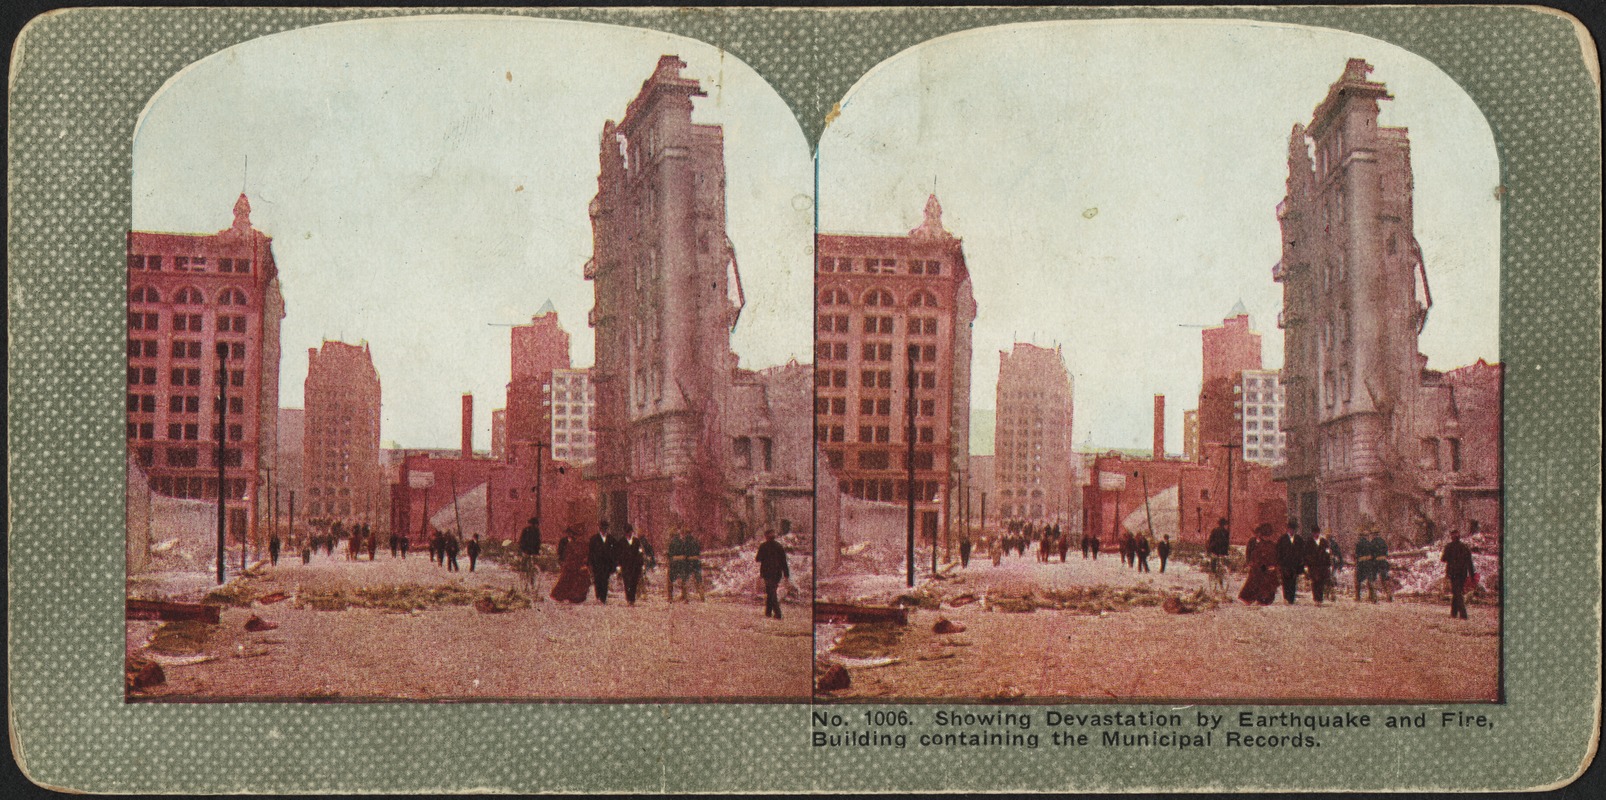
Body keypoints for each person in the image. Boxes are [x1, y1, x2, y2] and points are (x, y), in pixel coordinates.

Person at [1238, 523, 1280, 605]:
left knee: (1268, 584)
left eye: (1268, 536)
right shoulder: (1257, 544)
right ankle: (1251, 599)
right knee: (1255, 583)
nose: (1267, 538)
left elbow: (1276, 556)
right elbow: (1253, 556)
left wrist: (1274, 565)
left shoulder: (1272, 545)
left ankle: (1265, 600)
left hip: (1269, 568)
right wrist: (1253, 563)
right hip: (1258, 568)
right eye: (1265, 536)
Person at [550, 526, 592, 604]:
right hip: (571, 565)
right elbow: (566, 554)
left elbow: (587, 554)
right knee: (567, 580)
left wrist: (585, 562)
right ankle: (565, 596)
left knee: (582, 581)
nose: (578, 537)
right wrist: (565, 562)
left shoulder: (585, 544)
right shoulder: (569, 544)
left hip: (580, 565)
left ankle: (578, 597)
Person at [1441, 530, 1476, 619]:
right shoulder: (1465, 547)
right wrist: (1472, 576)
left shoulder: (1448, 547)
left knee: (1457, 593)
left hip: (1453, 573)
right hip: (1462, 573)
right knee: (1457, 591)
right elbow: (1470, 563)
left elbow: (1443, 559)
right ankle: (1453, 613)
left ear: (1452, 537)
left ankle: (1463, 615)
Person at [756, 529, 791, 619]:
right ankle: (768, 612)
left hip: (767, 572)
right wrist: (786, 574)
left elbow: (758, 559)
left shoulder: (763, 546)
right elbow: (784, 561)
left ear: (766, 536)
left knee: (771, 592)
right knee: (771, 591)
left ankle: (778, 613)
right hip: (777, 573)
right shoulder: (779, 546)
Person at [1275, 520, 1306, 604]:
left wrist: (1301, 562)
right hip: (1285, 564)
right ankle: (1286, 598)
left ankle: (1291, 599)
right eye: (1290, 529)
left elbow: (1302, 552)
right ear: (1287, 529)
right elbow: (1278, 551)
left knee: (1293, 581)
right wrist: (1279, 563)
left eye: (1293, 529)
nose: (1291, 531)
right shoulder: (1282, 539)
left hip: (1295, 564)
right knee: (1285, 581)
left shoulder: (1299, 539)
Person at [589, 522, 617, 603]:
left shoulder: (611, 539)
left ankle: (603, 597)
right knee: (597, 580)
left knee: (605, 580)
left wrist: (613, 564)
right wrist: (591, 563)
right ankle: (598, 595)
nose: (603, 531)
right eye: (602, 529)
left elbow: (614, 553)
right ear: (599, 529)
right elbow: (591, 552)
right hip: (597, 564)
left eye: (605, 529)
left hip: (606, 564)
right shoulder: (594, 539)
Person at [618, 525, 645, 606]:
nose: (628, 534)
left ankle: (632, 599)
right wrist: (618, 566)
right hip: (625, 565)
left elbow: (640, 553)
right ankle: (628, 598)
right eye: (627, 532)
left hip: (635, 565)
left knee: (634, 582)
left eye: (630, 532)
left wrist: (642, 564)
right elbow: (618, 555)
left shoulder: (637, 541)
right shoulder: (621, 542)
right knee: (627, 582)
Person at [1307, 527, 1334, 605]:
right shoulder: (1309, 542)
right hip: (1313, 566)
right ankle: (1316, 598)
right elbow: (1306, 554)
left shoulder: (1324, 542)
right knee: (1314, 582)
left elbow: (1328, 553)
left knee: (1321, 582)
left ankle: (1320, 599)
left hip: (1322, 566)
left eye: (1317, 533)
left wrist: (1328, 564)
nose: (1316, 534)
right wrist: (1308, 563)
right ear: (1312, 534)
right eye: (1314, 533)